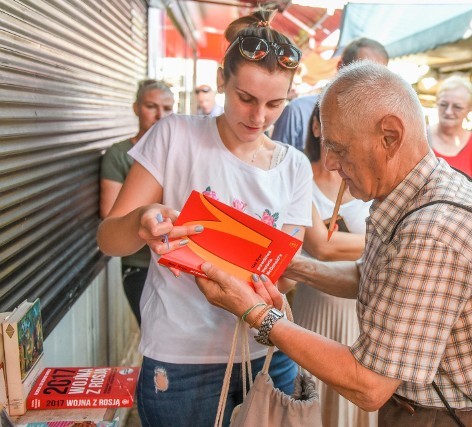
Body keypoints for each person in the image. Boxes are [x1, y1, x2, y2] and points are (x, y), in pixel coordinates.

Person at [194, 61, 472, 427]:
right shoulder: (411, 190)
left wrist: (255, 313)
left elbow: (369, 383)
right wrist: (293, 266)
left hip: (447, 418)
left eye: (338, 147)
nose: (329, 162)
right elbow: (372, 275)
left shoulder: (433, 230)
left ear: (390, 136)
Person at [96, 9, 313, 427]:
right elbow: (110, 240)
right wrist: (142, 219)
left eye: (275, 104)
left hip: (268, 350)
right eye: (245, 98)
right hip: (180, 359)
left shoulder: (295, 167)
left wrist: (274, 275)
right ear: (220, 81)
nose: (258, 117)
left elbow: (286, 277)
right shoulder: (175, 135)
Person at [292, 104, 375, 427]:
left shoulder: (367, 181)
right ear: (316, 127)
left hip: (361, 310)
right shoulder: (300, 174)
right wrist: (382, 241)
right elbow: (320, 246)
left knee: (355, 401)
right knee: (311, 399)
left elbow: (325, 244)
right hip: (314, 304)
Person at [99, 78, 174, 326]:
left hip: (178, 263)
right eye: (151, 106)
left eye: (167, 108)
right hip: (140, 265)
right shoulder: (119, 154)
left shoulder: (179, 154)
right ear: (136, 108)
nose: (159, 115)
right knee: (157, 334)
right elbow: (110, 213)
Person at [271, 37, 389, 151]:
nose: (372, 84)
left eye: (379, 77)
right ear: (340, 67)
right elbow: (273, 165)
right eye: (364, 73)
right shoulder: (298, 112)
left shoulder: (374, 128)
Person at [428, 75, 472, 199]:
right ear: (437, 102)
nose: (448, 111)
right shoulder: (419, 138)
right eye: (443, 104)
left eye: (457, 107)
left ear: (468, 109)